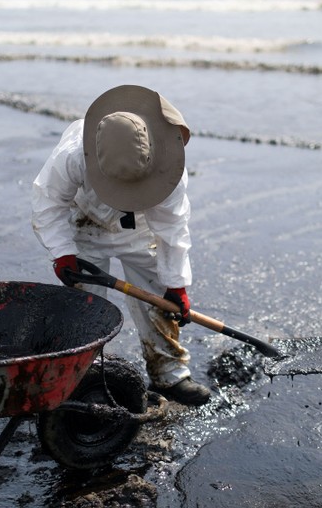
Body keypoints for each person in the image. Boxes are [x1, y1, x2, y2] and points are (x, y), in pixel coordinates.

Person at [32, 84, 211, 406]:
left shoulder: (170, 169)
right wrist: (63, 253)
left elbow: (172, 228)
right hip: (84, 225)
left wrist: (177, 284)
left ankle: (169, 374)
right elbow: (49, 204)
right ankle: (84, 377)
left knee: (160, 302)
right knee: (83, 307)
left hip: (141, 228)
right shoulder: (72, 155)